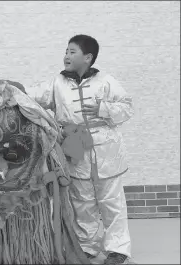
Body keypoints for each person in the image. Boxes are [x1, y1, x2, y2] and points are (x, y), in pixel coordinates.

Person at [27, 34, 134, 264]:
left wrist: (103, 109)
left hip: (106, 151)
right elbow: (33, 95)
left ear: (88, 57)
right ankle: (87, 246)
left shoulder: (106, 81)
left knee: (111, 201)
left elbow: (127, 108)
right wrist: (11, 90)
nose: (66, 55)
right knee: (82, 202)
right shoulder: (57, 82)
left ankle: (118, 249)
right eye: (66, 51)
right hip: (75, 149)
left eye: (72, 51)